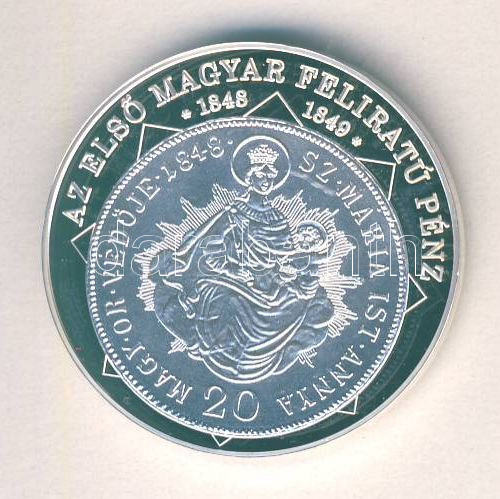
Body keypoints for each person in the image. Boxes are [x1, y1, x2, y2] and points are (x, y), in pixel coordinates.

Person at [153, 137, 335, 383]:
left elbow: (286, 254)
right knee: (232, 302)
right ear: (249, 177)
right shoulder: (234, 213)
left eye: (270, 175)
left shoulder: (279, 218)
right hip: (235, 279)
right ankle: (226, 350)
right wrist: (232, 269)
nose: (266, 180)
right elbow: (209, 246)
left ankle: (266, 348)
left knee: (305, 301)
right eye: (260, 174)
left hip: (272, 282)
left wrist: (292, 268)